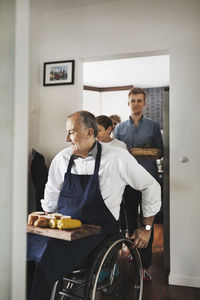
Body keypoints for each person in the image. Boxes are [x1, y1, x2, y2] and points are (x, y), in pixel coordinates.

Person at [27, 110, 161, 299]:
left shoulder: (117, 158)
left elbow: (151, 186)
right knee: (22, 247)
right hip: (65, 230)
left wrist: (146, 227)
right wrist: (45, 223)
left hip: (98, 235)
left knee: (46, 254)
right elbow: (51, 196)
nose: (66, 138)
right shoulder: (62, 159)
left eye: (71, 132)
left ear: (90, 133)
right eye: (66, 132)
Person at [114, 87, 164, 281]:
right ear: (128, 103)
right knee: (130, 222)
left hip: (148, 181)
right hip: (127, 183)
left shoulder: (152, 126)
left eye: (139, 100)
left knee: (147, 224)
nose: (135, 103)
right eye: (132, 100)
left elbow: (160, 151)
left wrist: (144, 153)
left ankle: (144, 265)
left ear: (145, 103)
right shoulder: (120, 128)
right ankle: (134, 255)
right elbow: (116, 153)